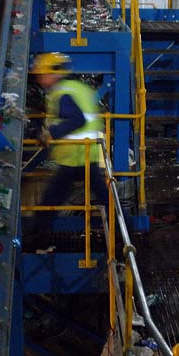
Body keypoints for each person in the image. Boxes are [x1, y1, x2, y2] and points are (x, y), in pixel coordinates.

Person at [28, 52, 109, 247]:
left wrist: (50, 133)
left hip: (78, 156)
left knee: (52, 197)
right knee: (102, 197)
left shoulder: (63, 93)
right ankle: (122, 234)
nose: (39, 79)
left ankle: (37, 236)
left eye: (42, 74)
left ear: (53, 74)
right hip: (83, 153)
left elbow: (76, 119)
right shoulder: (74, 88)